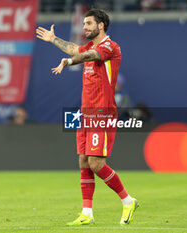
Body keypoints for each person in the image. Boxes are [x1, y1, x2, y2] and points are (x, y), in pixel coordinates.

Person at [36, 9, 139, 226]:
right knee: (83, 160)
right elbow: (76, 49)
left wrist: (69, 62)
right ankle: (87, 212)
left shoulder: (110, 47)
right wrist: (54, 39)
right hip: (85, 113)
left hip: (102, 113)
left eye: (89, 23)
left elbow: (88, 56)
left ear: (101, 25)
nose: (85, 27)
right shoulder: (89, 46)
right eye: (83, 24)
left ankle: (128, 200)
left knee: (95, 162)